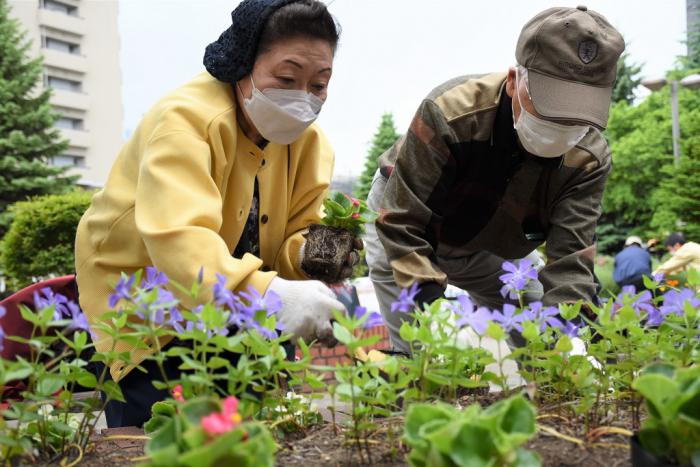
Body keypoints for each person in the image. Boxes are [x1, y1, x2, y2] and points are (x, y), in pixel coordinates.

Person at [74, 0, 354, 426]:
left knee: (260, 423)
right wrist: (267, 295)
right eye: (285, 77)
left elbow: (296, 230)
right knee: (161, 428)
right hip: (148, 294)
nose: (303, 97)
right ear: (243, 65)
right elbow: (179, 240)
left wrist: (311, 254)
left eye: (318, 85)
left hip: (236, 291)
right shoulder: (185, 120)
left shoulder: (311, 145)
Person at [364, 6, 624, 354]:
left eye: (578, 118)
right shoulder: (452, 112)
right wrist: (432, 309)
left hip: (492, 244)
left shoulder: (588, 159)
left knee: (542, 340)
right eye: (549, 108)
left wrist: (569, 330)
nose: (562, 127)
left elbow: (570, 258)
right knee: (422, 350)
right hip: (404, 225)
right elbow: (402, 220)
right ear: (515, 81)